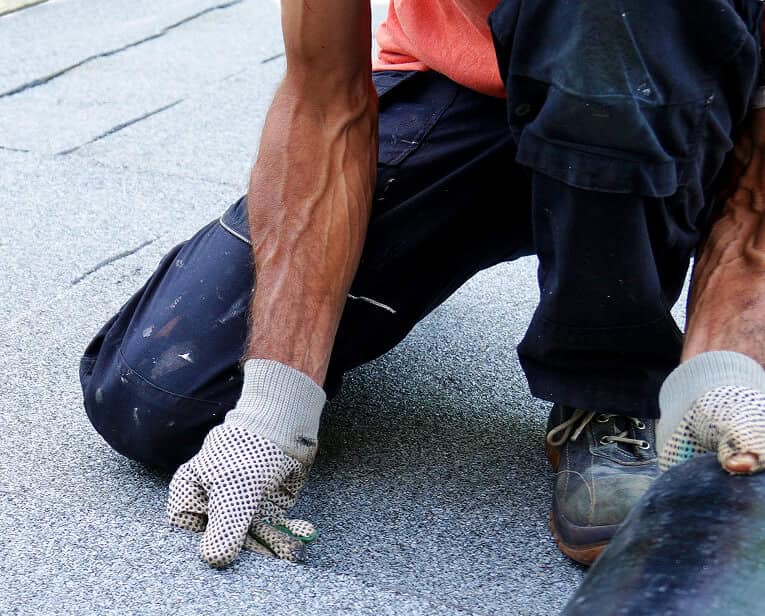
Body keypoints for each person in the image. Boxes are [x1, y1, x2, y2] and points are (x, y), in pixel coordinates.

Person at [79, 0, 765, 569]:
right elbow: (323, 98)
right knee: (157, 398)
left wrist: (724, 360)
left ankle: (605, 388)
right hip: (466, 98)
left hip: (665, 114)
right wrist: (272, 403)